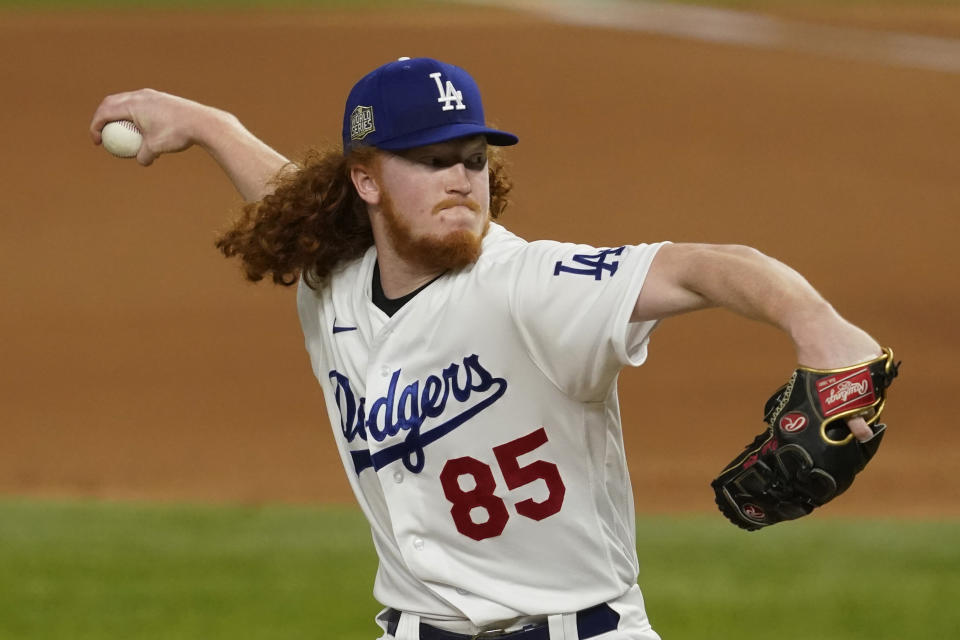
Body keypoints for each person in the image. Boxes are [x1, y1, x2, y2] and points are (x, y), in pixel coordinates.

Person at [89, 57, 883, 640]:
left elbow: (706, 268)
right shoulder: (334, 282)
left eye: (471, 157)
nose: (461, 178)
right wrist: (207, 126)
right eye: (430, 161)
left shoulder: (528, 284)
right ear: (366, 182)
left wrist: (819, 328)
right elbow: (287, 192)